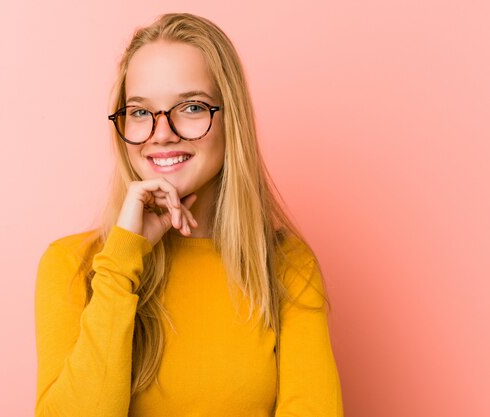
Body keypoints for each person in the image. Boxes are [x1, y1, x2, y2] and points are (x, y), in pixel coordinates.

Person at [34, 12, 343, 417]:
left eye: (191, 107)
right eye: (141, 112)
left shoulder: (286, 268)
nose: (162, 133)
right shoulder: (73, 266)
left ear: (231, 119)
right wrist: (123, 260)